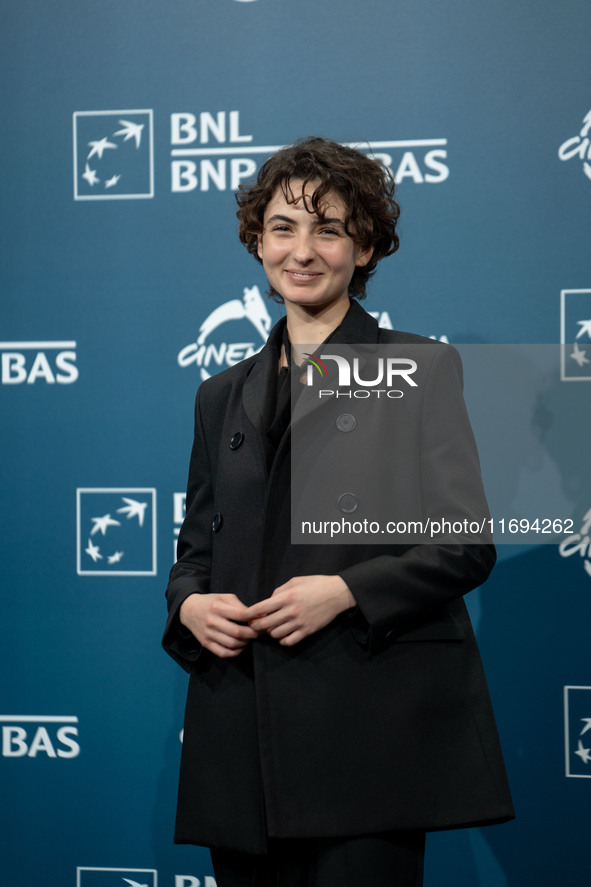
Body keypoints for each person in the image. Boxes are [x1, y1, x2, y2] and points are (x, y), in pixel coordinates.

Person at [162, 136, 514, 887]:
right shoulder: (218, 394)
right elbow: (193, 550)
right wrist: (189, 604)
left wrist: (348, 590)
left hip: (365, 734)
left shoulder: (417, 369)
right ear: (257, 240)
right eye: (284, 227)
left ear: (364, 246)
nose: (303, 249)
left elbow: (465, 545)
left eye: (328, 228)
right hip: (239, 736)